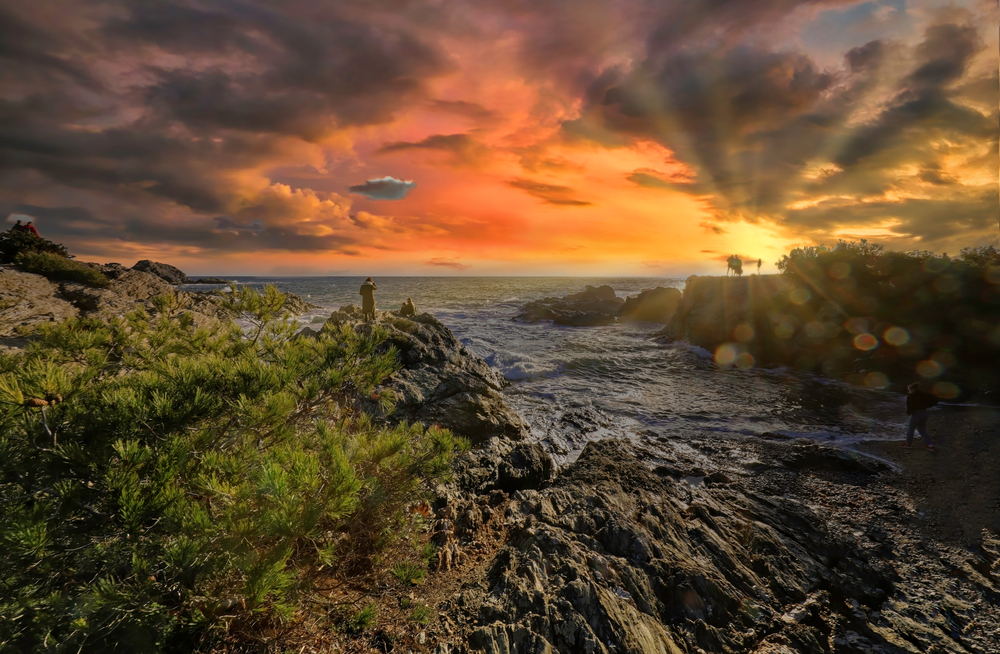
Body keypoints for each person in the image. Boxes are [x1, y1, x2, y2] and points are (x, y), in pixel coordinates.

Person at [900, 382, 938, 450]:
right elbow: (935, 400)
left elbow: (910, 407)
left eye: (909, 390)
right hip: (924, 413)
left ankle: (908, 444)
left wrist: (910, 412)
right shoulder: (924, 394)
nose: (909, 391)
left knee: (910, 429)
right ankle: (930, 445)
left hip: (916, 414)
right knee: (922, 430)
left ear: (913, 389)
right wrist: (927, 406)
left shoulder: (911, 396)